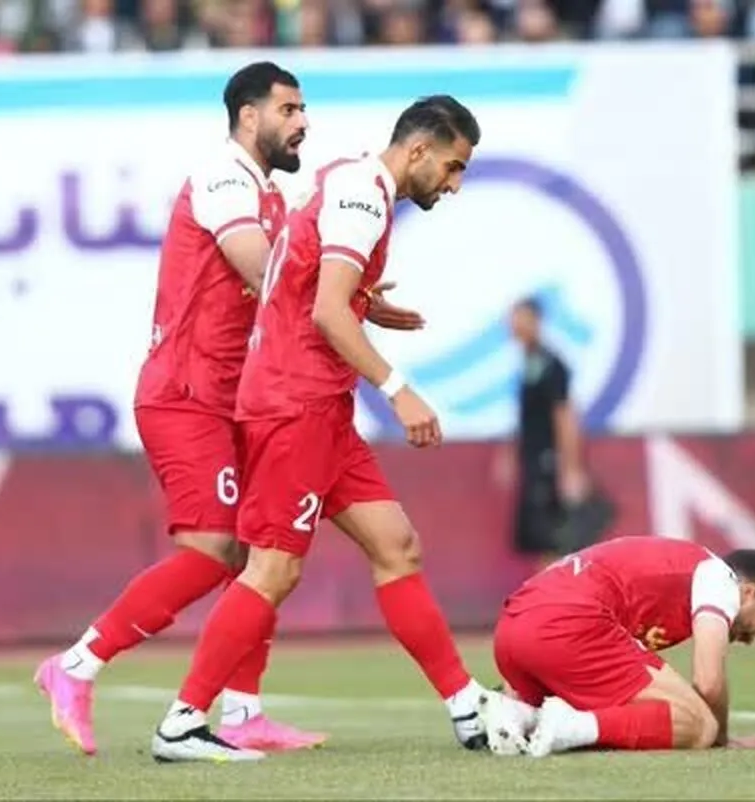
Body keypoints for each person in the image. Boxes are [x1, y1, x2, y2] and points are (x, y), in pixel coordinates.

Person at [34, 62, 422, 757]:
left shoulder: (273, 193)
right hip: (185, 396)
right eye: (289, 110)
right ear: (249, 116)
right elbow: (265, 271)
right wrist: (346, 300)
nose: (303, 122)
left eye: (304, 109)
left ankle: (242, 713)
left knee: (255, 554)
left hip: (235, 398)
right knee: (213, 549)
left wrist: (355, 299)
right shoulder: (222, 178)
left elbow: (294, 283)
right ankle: (76, 665)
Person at [149, 94, 505, 763]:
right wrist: (399, 391)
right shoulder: (364, 196)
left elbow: (312, 286)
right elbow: (326, 313)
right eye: (454, 167)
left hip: (320, 405)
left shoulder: (349, 179)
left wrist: (367, 302)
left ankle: (467, 709)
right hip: (295, 402)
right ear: (419, 150)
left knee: (396, 544)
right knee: (274, 568)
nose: (455, 184)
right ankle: (183, 723)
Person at [480, 536, 755, 756]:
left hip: (512, 631)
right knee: (698, 725)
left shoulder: (680, 567)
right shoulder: (720, 578)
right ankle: (567, 726)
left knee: (631, 707)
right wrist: (720, 736)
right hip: (567, 625)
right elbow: (709, 683)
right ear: (748, 593)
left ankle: (520, 715)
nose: (751, 637)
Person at [505, 297, 600, 569]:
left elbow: (565, 417)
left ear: (536, 321)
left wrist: (570, 468)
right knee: (540, 536)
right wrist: (511, 454)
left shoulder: (551, 364)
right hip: (533, 459)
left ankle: (555, 589)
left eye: (521, 319)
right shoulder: (528, 363)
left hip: (548, 460)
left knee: (554, 536)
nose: (515, 326)